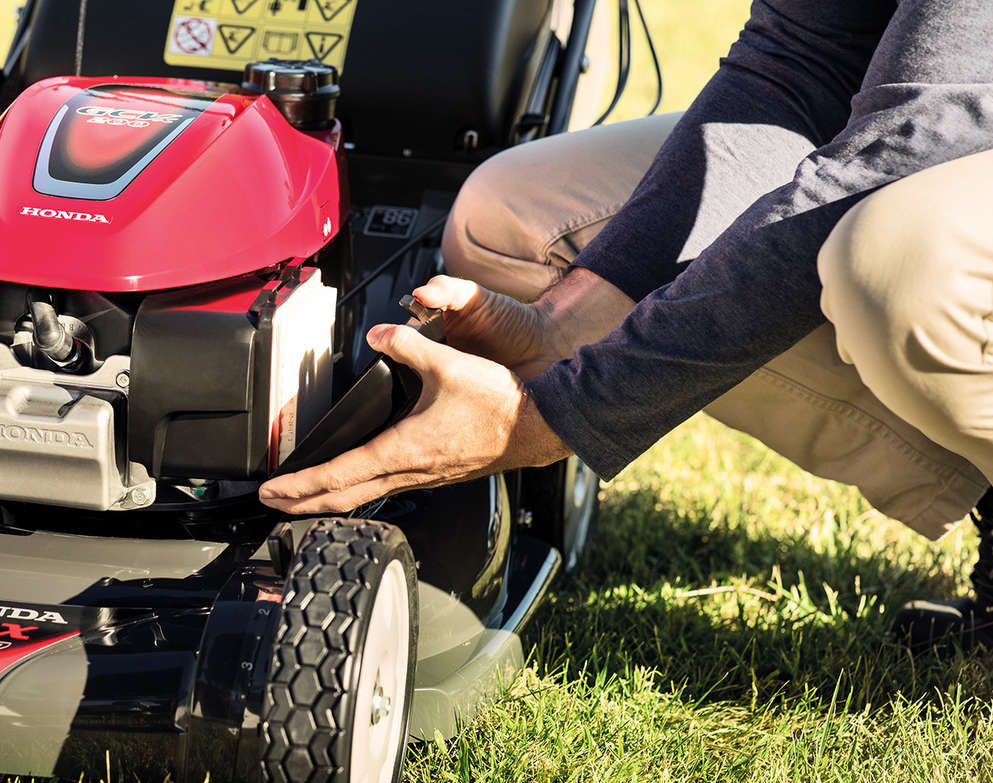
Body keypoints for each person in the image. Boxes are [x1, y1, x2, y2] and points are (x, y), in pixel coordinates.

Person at [258, 0, 993, 648]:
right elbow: (802, 63)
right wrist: (559, 326)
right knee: (514, 220)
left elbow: (912, 141)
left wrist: (556, 416)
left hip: (948, 129)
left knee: (903, 262)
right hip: (933, 120)